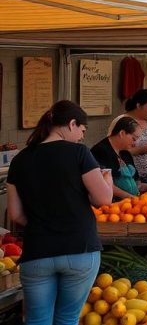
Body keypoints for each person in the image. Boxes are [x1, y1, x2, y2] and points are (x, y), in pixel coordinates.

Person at [8, 100, 113, 325]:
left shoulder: (20, 160)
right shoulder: (79, 153)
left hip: (37, 251)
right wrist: (107, 177)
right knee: (67, 319)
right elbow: (103, 199)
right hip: (80, 249)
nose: (82, 136)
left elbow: (15, 214)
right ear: (71, 124)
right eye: (82, 130)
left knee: (36, 320)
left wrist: (42, 222)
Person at [92, 117, 147, 199]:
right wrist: (131, 198)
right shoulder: (100, 151)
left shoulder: (125, 152)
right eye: (134, 139)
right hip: (112, 205)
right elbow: (104, 184)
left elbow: (136, 183)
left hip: (131, 204)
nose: (135, 144)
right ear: (122, 133)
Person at [109, 89, 147, 182]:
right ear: (138, 105)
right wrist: (138, 150)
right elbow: (112, 150)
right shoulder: (121, 121)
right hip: (130, 176)